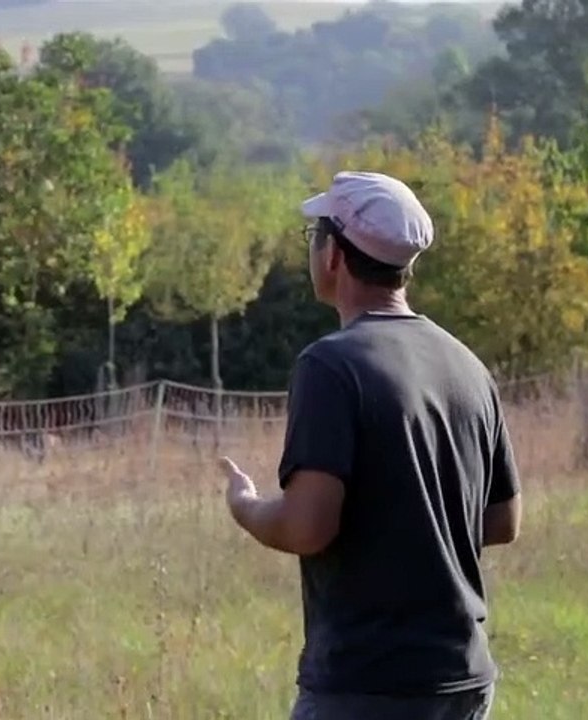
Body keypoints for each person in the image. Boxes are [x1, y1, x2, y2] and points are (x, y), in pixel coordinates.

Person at [219, 171, 522, 720]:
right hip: (462, 679)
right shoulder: (467, 365)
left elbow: (307, 527)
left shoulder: (330, 365)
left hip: (368, 681)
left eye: (313, 234)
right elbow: (502, 520)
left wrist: (246, 505)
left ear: (333, 254)